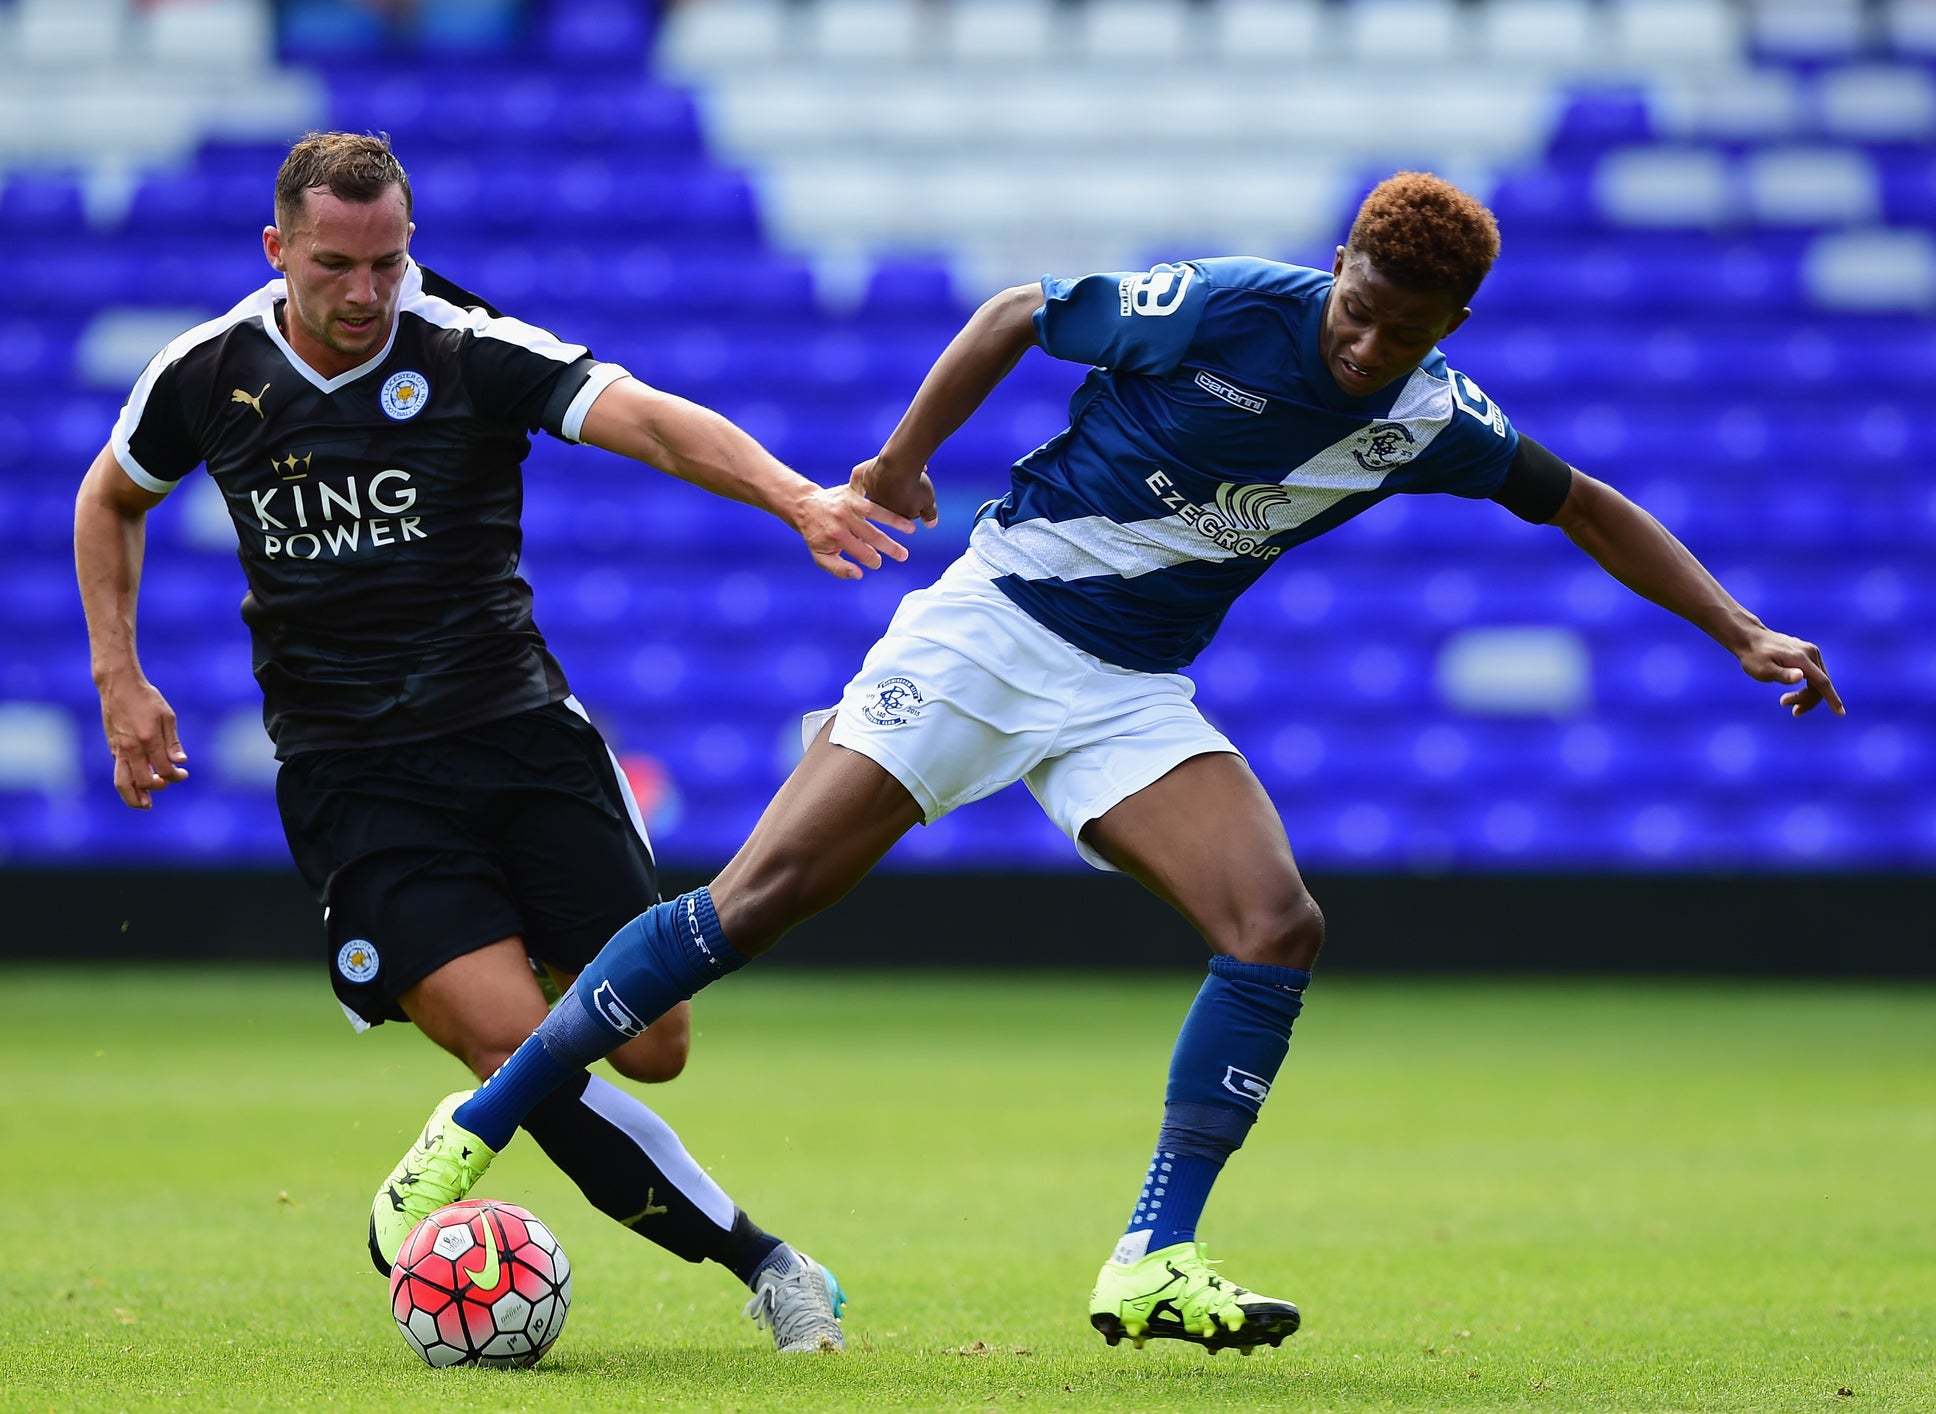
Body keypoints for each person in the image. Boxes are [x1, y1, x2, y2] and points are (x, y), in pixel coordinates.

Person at [372, 171, 1844, 1355]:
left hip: (1127, 692)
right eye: (1362, 309)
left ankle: (1155, 1253)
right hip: (989, 628)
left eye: (1410, 329)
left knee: (1276, 923)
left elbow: (1578, 500)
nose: (1369, 346)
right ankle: (480, 1119)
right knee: (753, 904)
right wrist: (894, 464)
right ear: (1341, 265)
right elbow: (1018, 311)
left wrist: (1739, 627)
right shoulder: (1225, 308)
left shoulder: (1429, 417)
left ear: (1454, 319)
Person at [74, 131, 922, 1353]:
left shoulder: (465, 346)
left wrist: (796, 495)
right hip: (352, 775)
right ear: (277, 251)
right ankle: (769, 1265)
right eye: (335, 266)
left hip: (518, 739)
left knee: (657, 1043)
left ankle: (492, 1103)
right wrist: (120, 677)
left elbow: (648, 419)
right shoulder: (205, 373)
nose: (367, 293)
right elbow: (111, 497)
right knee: (516, 1043)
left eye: (388, 260)